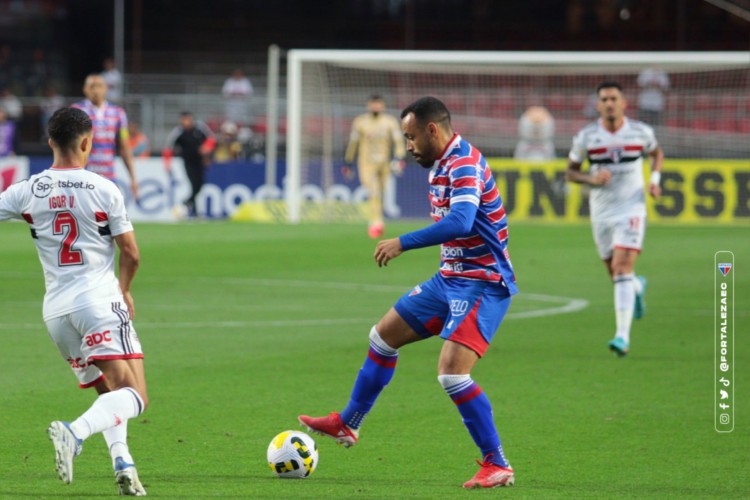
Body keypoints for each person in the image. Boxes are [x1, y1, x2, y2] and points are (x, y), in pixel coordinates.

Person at [300, 96, 518, 489]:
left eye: (412, 137)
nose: (409, 146)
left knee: (452, 374)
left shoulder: (464, 163)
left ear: (432, 130)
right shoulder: (442, 163)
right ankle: (347, 424)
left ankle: (497, 463)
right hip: (449, 278)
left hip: (484, 282)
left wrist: (403, 242)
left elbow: (462, 220)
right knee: (382, 337)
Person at [0, 107, 148, 496]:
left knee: (110, 393)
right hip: (98, 301)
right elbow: (130, 253)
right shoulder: (103, 188)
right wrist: (125, 288)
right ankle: (74, 432)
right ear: (88, 142)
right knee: (135, 396)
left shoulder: (27, 189)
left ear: (50, 142)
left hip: (56, 314)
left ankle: (124, 464)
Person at [566, 81, 664, 357]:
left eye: (614, 99)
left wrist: (654, 180)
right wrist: (591, 178)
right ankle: (637, 285)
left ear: (624, 103)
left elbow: (657, 154)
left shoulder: (640, 132)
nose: (609, 103)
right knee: (616, 273)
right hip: (602, 212)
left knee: (621, 268)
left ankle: (622, 337)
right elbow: (570, 172)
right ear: (598, 105)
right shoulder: (587, 137)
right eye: (604, 99)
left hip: (632, 208)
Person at [343, 94, 406, 238]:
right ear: (368, 105)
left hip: (384, 163)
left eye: (378, 104)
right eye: (373, 104)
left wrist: (399, 157)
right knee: (374, 191)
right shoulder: (360, 122)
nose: (376, 107)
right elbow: (353, 143)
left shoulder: (390, 122)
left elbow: (398, 142)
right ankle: (375, 222)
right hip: (366, 163)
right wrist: (348, 161)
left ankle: (378, 220)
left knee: (381, 192)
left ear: (383, 106)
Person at [73, 74, 139, 198]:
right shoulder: (76, 111)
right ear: (85, 89)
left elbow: (125, 147)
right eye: (92, 86)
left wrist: (133, 178)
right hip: (83, 178)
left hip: (108, 178)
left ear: (106, 89)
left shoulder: (118, 113)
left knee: (108, 216)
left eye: (99, 86)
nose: (95, 90)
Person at [163, 111, 216, 217]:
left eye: (187, 119)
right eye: (183, 120)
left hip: (200, 161)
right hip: (188, 162)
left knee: (199, 185)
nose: (185, 122)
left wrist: (206, 148)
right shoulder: (178, 132)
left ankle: (188, 203)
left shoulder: (200, 128)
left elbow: (212, 139)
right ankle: (192, 209)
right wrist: (167, 163)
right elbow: (168, 148)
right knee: (194, 185)